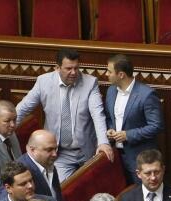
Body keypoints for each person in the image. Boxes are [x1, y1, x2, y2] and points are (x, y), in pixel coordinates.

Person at [15, 48, 113, 180]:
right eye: (68, 68)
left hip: (87, 151)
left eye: (76, 68)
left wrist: (103, 142)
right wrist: (2, 129)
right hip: (59, 153)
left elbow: (98, 114)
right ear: (57, 67)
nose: (74, 73)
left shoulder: (90, 83)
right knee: (61, 190)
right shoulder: (43, 82)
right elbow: (22, 109)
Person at [104, 54, 163, 183]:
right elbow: (109, 118)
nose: (106, 74)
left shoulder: (146, 95)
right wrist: (110, 129)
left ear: (121, 75)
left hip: (140, 157)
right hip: (116, 157)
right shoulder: (111, 91)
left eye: (109, 71)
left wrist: (128, 135)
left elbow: (156, 126)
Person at [20, 130, 65, 201]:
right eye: (49, 150)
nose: (55, 154)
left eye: (55, 149)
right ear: (32, 150)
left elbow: (57, 198)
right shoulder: (21, 171)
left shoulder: (48, 164)